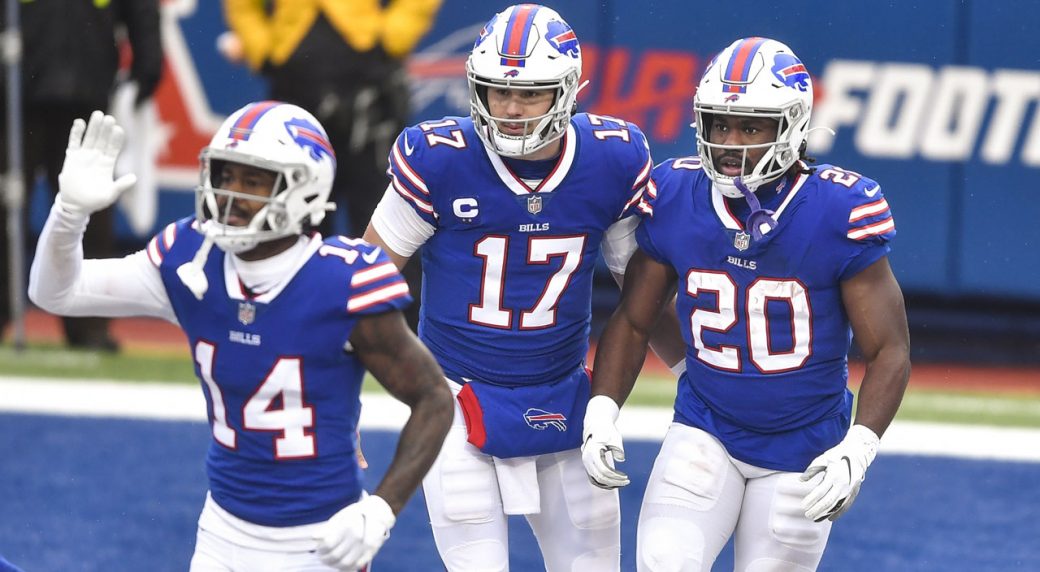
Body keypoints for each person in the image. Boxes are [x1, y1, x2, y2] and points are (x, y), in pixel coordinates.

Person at [28, 102, 453, 571]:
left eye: (253, 181)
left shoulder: (341, 281)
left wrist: (380, 510)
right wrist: (68, 215)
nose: (231, 193)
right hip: (221, 533)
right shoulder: (191, 259)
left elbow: (434, 398)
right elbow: (56, 293)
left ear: (304, 188)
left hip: (319, 541)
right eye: (226, 175)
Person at [361, 5, 685, 571]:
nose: (509, 109)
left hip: (564, 397)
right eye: (494, 92)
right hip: (455, 398)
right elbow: (364, 281)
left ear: (566, 90)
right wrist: (337, 405)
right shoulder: (439, 159)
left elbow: (644, 302)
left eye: (530, 94)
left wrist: (699, 384)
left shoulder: (611, 159)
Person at [581, 37, 912, 571]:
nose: (731, 141)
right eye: (719, 125)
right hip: (705, 426)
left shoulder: (840, 207)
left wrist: (859, 447)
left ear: (793, 126)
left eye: (752, 127)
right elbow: (635, 318)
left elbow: (890, 349)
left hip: (805, 446)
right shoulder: (674, 192)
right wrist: (602, 408)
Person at [221, 0, 443, 331]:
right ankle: (288, 326)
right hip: (295, 83)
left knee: (387, 219)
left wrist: (390, 38)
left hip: (367, 86)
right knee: (289, 218)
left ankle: (401, 331)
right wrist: (264, 48)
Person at [0, 0, 162, 350]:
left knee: (89, 209)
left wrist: (148, 63)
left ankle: (89, 325)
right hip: (13, 97)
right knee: (5, 210)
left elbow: (140, 9)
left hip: (88, 89)